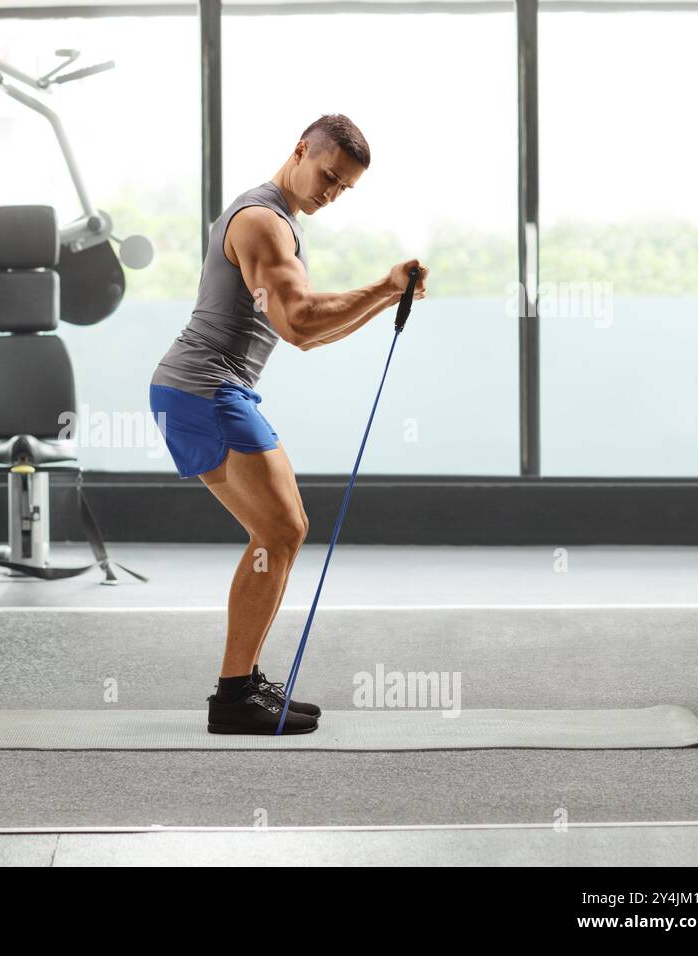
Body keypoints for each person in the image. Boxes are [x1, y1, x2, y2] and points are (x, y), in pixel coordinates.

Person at [149, 114, 428, 735]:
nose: (331, 192)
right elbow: (300, 323)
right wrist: (381, 287)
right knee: (283, 530)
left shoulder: (280, 222)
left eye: (343, 188)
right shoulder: (262, 222)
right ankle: (234, 695)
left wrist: (387, 295)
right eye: (328, 175)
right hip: (204, 388)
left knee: (277, 533)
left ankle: (240, 686)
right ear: (301, 150)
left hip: (197, 390)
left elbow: (302, 333)